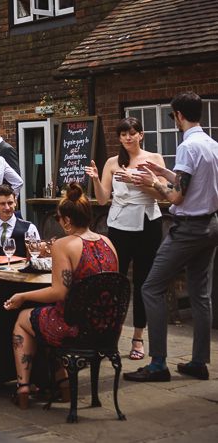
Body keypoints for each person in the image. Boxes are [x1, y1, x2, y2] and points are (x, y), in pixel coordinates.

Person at [126, 92, 218, 382]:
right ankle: (199, 362)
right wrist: (163, 171)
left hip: (188, 228)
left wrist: (153, 182)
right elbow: (193, 181)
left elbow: (177, 196)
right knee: (201, 295)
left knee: (150, 288)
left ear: (178, 114)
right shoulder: (212, 145)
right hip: (211, 225)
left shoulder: (188, 146)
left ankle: (157, 364)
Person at [3, 183, 118, 408]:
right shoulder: (108, 242)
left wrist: (23, 297)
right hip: (107, 328)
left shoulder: (64, 245)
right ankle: (63, 383)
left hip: (77, 330)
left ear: (66, 220)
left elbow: (59, 291)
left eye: (58, 219)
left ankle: (23, 388)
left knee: (25, 320)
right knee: (48, 317)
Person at [84, 117, 166, 362]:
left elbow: (163, 194)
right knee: (114, 282)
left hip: (147, 224)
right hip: (119, 226)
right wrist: (97, 179)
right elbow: (101, 200)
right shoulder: (112, 162)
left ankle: (138, 337)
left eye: (132, 133)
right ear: (119, 137)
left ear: (141, 135)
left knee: (143, 281)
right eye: (123, 134)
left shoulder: (154, 159)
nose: (128, 138)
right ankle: (109, 336)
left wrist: (139, 182)